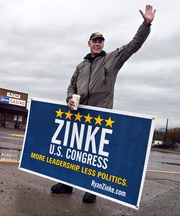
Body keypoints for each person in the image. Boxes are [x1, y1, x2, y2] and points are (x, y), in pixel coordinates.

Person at [51, 4, 156, 203]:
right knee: (72, 151)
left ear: (102, 44)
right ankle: (66, 183)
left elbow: (134, 45)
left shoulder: (111, 60)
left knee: (93, 154)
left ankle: (91, 188)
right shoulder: (80, 65)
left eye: (100, 41)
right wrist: (69, 99)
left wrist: (146, 24)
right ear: (88, 43)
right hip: (79, 114)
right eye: (94, 41)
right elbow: (71, 86)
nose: (97, 44)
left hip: (100, 115)